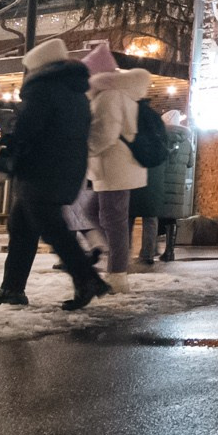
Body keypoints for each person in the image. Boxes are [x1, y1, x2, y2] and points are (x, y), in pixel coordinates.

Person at [0, 39, 108, 310]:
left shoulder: (43, 89)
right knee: (22, 226)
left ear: (37, 68)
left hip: (41, 170)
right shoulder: (76, 92)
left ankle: (88, 279)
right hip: (65, 169)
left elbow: (29, 128)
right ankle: (12, 288)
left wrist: (10, 140)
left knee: (52, 229)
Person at [84, 42, 150, 285]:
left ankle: (117, 274)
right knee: (94, 212)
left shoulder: (109, 95)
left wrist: (86, 148)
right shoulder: (121, 94)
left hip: (114, 165)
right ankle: (115, 255)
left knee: (114, 220)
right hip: (117, 166)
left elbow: (105, 133)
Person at [137, 107, 194, 265]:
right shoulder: (187, 142)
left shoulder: (160, 139)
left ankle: (150, 250)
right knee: (171, 218)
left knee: (152, 217)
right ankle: (170, 251)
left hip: (161, 183)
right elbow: (190, 163)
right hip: (177, 187)